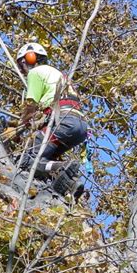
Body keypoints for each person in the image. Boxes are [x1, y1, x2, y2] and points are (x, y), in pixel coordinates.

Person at [15, 42, 88, 195]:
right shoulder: (58, 74)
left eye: (21, 67)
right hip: (79, 126)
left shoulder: (36, 73)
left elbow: (30, 105)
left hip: (63, 122)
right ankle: (72, 184)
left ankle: (62, 167)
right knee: (46, 158)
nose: (22, 71)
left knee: (28, 159)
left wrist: (17, 129)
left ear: (27, 58)